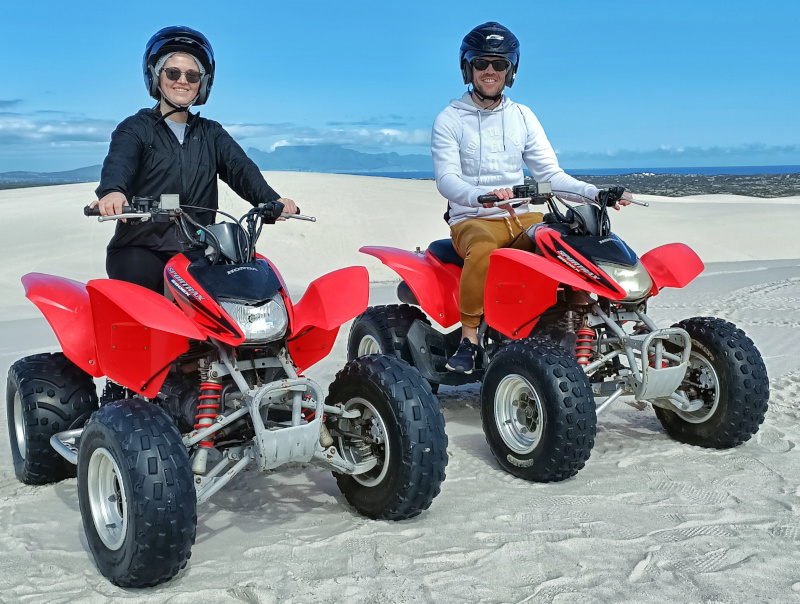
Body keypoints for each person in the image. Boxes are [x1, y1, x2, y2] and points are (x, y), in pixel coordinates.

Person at [432, 21, 630, 374]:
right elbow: (447, 179)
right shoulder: (450, 120)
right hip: (474, 219)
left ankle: (581, 326)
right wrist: (482, 196)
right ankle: (470, 339)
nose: (490, 71)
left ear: (511, 70)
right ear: (468, 67)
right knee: (484, 251)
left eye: (499, 64)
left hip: (523, 216)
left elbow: (551, 176)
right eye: (481, 63)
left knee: (568, 244)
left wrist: (596, 193)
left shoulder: (523, 116)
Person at [90, 26, 297, 293]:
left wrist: (270, 198)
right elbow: (120, 162)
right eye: (172, 72)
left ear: (203, 82)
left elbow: (240, 168)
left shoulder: (211, 133)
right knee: (140, 302)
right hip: (142, 247)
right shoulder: (136, 128)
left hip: (201, 250)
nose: (182, 81)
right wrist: (113, 192)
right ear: (156, 75)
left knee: (240, 298)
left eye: (193, 75)